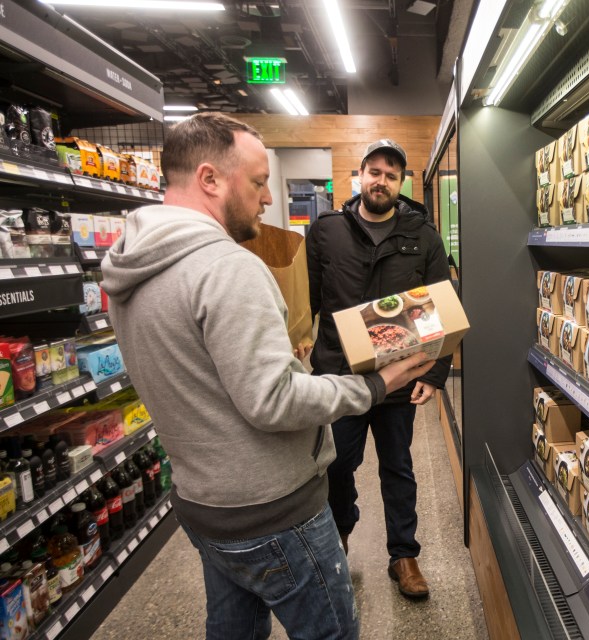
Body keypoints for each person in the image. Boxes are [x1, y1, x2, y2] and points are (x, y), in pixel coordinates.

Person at [100, 113, 435, 640]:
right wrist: (376, 384)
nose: (267, 199)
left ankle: (403, 553)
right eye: (258, 182)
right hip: (272, 513)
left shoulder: (126, 264)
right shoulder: (229, 267)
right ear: (210, 179)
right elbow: (273, 400)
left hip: (203, 504)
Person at [306, 139, 452, 600]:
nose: (381, 181)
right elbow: (304, 297)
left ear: (401, 183)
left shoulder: (423, 236)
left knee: (399, 466)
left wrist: (433, 373)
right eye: (374, 171)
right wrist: (296, 337)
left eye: (391, 175)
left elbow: (442, 309)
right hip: (338, 378)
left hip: (398, 376)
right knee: (337, 466)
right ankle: (339, 541)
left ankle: (404, 556)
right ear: (360, 175)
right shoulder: (326, 230)